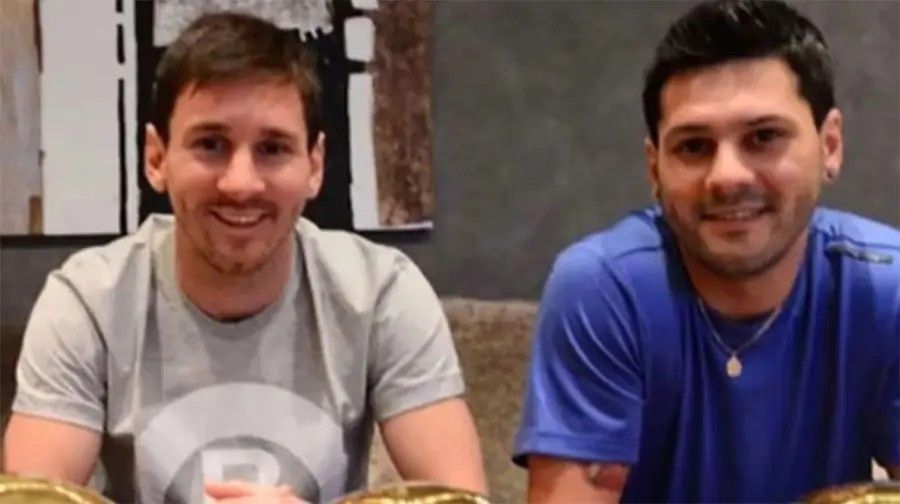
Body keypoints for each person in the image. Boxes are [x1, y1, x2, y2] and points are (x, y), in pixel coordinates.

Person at [3, 11, 486, 504]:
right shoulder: (88, 301)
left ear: (314, 165)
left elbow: (458, 500)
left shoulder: (381, 292)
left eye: (273, 149)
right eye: (210, 145)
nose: (241, 183)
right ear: (156, 158)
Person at [512, 0, 900, 502]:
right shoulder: (604, 289)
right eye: (694, 147)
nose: (727, 177)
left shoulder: (885, 289)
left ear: (829, 145)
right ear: (655, 169)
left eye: (764, 137)